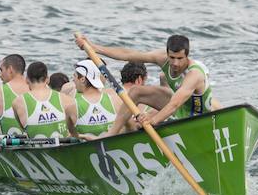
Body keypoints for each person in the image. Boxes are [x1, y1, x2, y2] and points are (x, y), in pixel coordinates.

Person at [74, 34, 218, 135]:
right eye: (172, 57)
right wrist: (94, 48)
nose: (175, 63)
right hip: (179, 109)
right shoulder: (162, 59)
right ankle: (112, 134)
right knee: (136, 92)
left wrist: (152, 120)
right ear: (167, 53)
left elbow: (175, 104)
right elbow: (128, 54)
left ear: (187, 55)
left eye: (180, 58)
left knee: (154, 113)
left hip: (198, 115)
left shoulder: (194, 74)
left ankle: (141, 125)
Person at [12, 61, 78, 139]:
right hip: (63, 147)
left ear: (27, 80)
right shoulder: (67, 99)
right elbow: (75, 130)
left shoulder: (17, 102)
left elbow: (23, 128)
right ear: (48, 79)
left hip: (36, 149)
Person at [73, 60, 121, 140]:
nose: (73, 80)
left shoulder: (72, 104)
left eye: (74, 76)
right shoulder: (115, 99)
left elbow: (65, 135)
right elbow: (131, 127)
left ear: (82, 79)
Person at [0, 54, 29, 136]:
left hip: (8, 147)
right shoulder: (36, 89)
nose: (0, 75)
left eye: (1, 70)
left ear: (10, 69)